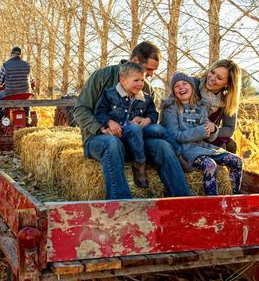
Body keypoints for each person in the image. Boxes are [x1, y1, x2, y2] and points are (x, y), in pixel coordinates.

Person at [73, 41, 192, 200]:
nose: (150, 75)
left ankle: (184, 202)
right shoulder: (101, 77)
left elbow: (151, 114)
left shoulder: (146, 88)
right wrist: (102, 128)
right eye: (149, 69)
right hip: (99, 139)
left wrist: (146, 120)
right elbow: (80, 110)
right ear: (135, 62)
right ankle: (122, 205)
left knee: (163, 146)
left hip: (135, 142)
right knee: (112, 143)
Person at [94, 61, 188, 188]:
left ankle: (178, 155)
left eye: (142, 80)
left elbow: (153, 113)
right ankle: (139, 165)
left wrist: (147, 120)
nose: (140, 84)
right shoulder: (109, 94)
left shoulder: (146, 98)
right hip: (121, 133)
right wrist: (110, 122)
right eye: (136, 80)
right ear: (123, 80)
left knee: (158, 128)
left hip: (140, 133)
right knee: (133, 128)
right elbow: (100, 112)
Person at [160, 72, 243, 196]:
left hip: (203, 147)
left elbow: (208, 137)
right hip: (185, 150)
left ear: (192, 87)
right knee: (210, 165)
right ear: (173, 91)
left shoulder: (202, 106)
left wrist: (213, 129)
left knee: (237, 161)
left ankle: (235, 197)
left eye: (184, 83)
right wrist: (200, 131)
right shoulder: (171, 107)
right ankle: (211, 201)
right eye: (176, 86)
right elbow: (174, 135)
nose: (180, 87)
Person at [194, 59, 242, 154]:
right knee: (221, 147)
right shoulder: (193, 85)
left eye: (219, 78)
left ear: (227, 84)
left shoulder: (227, 99)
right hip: (188, 133)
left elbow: (229, 129)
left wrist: (214, 129)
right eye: (212, 72)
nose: (212, 78)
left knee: (231, 145)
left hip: (209, 135)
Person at [0, 46, 33, 122]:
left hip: (10, 93)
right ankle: (27, 116)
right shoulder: (27, 65)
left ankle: (1, 118)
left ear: (12, 54)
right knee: (27, 99)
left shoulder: (6, 65)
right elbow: (31, 79)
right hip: (25, 93)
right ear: (20, 55)